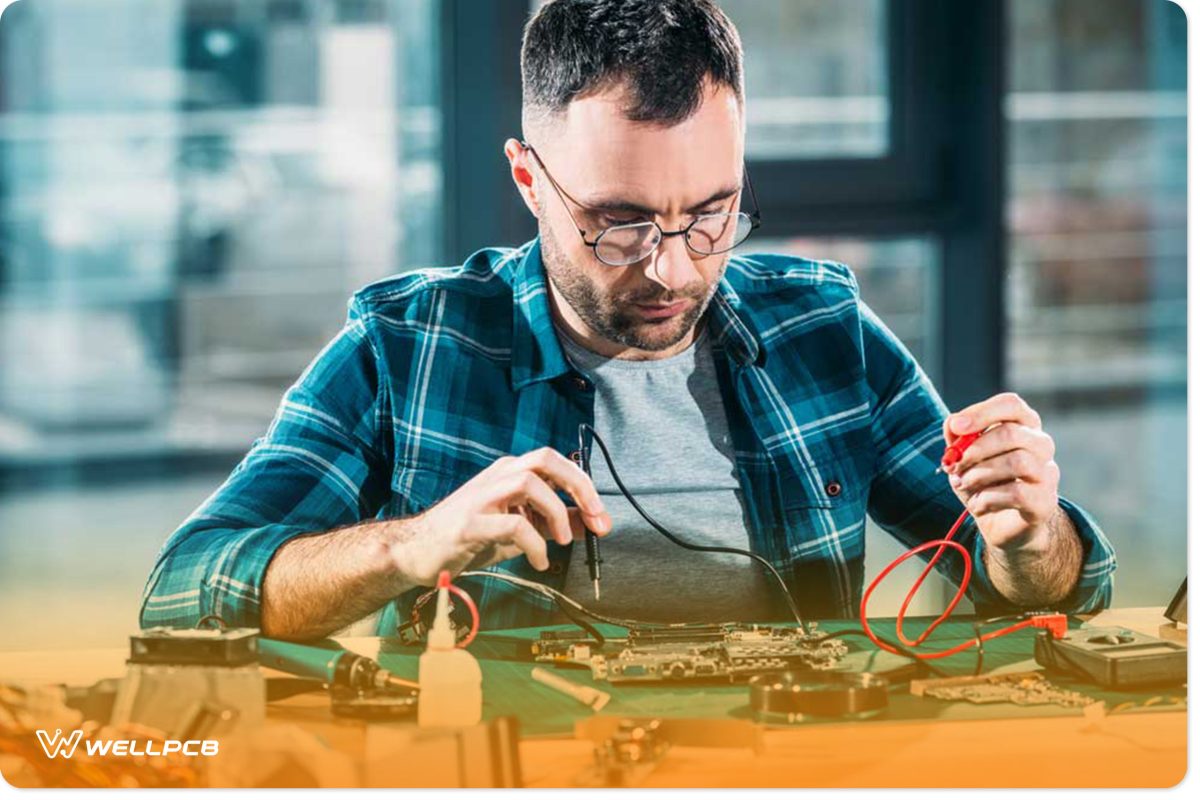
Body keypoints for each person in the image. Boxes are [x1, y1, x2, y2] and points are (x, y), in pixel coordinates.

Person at [140, 0, 1115, 640]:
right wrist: (412, 541)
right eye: (619, 223)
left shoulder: (826, 327)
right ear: (529, 178)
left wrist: (1029, 542)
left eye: (711, 215)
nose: (673, 266)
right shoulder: (408, 346)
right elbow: (183, 589)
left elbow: (1042, 592)